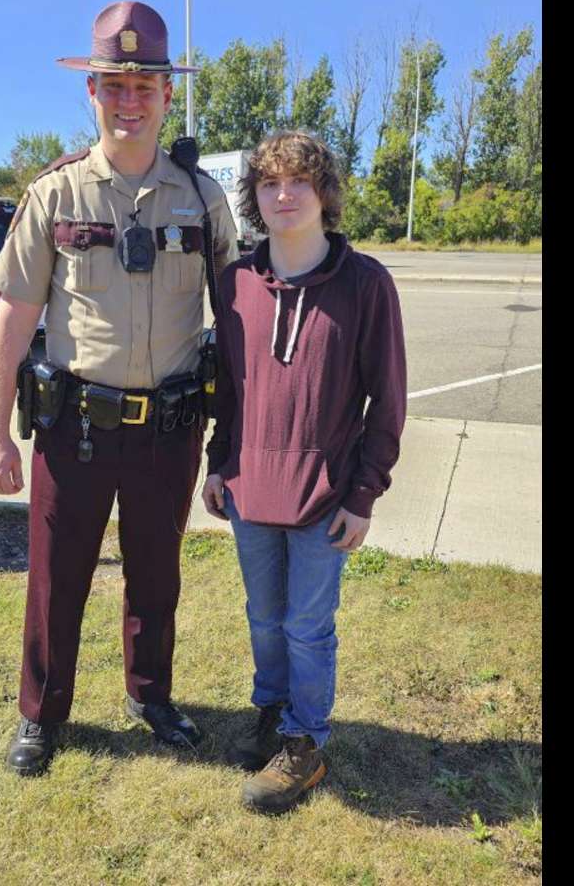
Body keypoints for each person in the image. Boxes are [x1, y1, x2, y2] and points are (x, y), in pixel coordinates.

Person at [0, 1, 238, 776]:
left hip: (169, 427)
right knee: (57, 578)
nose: (130, 100)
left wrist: (235, 440)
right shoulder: (54, 196)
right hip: (76, 426)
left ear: (166, 95)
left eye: (145, 85)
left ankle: (151, 696)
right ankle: (42, 712)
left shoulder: (202, 200)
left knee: (157, 572)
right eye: (114, 84)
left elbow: (237, 322)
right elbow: (12, 320)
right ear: (90, 92)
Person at [201, 130, 407, 813]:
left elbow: (388, 397)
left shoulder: (366, 283)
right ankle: (272, 712)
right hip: (251, 488)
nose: (284, 194)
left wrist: (364, 494)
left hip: (325, 498)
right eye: (269, 183)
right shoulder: (234, 284)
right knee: (265, 618)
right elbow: (229, 389)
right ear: (254, 197)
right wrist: (216, 466)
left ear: (324, 194)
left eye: (298, 182)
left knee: (308, 625)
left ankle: (305, 743)